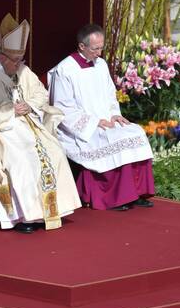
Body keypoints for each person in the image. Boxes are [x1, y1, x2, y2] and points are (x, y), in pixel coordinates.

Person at [0, 13, 81, 233]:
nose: (19, 65)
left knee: (55, 151)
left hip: (26, 125)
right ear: (2, 57)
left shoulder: (21, 69)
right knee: (22, 159)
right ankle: (25, 217)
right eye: (15, 61)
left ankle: (50, 211)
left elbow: (40, 93)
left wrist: (28, 105)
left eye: (21, 60)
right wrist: (10, 110)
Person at [49, 23, 154, 211]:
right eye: (95, 49)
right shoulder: (65, 69)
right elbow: (62, 108)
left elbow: (109, 94)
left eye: (101, 48)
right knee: (112, 138)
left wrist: (114, 115)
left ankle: (136, 193)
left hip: (106, 120)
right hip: (82, 128)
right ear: (82, 46)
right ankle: (114, 197)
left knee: (136, 132)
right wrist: (94, 122)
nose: (99, 53)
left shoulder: (101, 64)